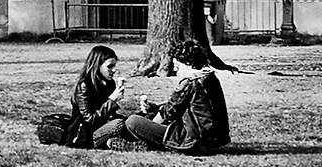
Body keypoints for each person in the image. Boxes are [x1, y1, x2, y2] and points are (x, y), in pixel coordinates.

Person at [99, 58, 231, 154]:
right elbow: (179, 106)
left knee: (133, 121)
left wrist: (148, 123)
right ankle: (142, 144)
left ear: (188, 64)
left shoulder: (189, 82)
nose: (176, 71)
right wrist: (153, 108)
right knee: (149, 115)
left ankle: (141, 144)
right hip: (215, 139)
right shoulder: (210, 78)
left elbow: (167, 112)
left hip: (195, 141)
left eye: (178, 67)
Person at [37, 42, 125, 146]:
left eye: (114, 66)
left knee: (129, 122)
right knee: (118, 125)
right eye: (110, 66)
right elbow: (89, 119)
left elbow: (110, 115)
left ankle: (117, 143)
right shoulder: (85, 85)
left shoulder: (109, 84)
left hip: (103, 126)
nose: (114, 70)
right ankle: (110, 142)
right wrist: (111, 101)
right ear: (97, 66)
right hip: (86, 133)